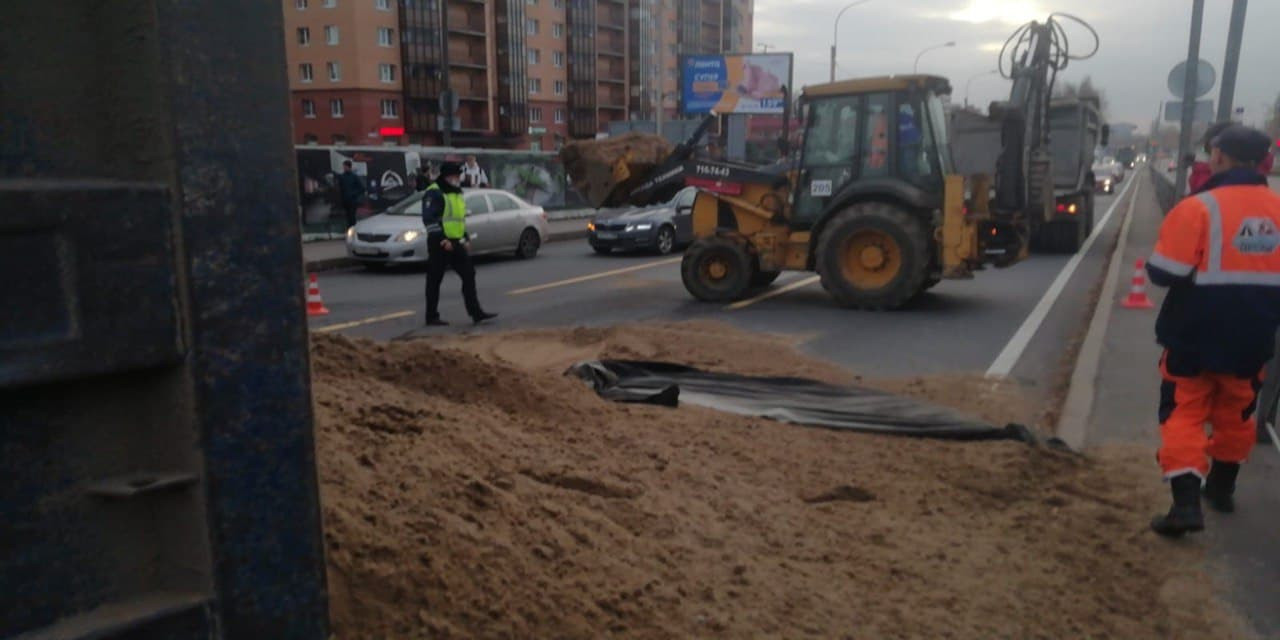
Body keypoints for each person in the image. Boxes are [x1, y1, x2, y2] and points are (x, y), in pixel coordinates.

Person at [1146, 124, 1280, 537]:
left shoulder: (1198, 208)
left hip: (1194, 337)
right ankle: (1222, 489)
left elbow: (1164, 272)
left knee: (1183, 413)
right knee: (1237, 412)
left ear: (1219, 156)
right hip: (1253, 337)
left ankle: (1186, 505)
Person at [422, 162, 497, 326]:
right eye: (455, 176)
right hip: (440, 243)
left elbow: (458, 220)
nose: (458, 179)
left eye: (458, 176)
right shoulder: (434, 192)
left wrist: (465, 238)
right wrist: (442, 240)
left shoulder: (456, 193)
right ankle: (431, 316)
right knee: (435, 279)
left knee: (469, 274)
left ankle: (476, 312)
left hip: (455, 242)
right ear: (447, 176)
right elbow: (430, 219)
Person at [336, 160, 365, 229]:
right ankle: (349, 231)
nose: (344, 168)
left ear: (349, 167)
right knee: (348, 217)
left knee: (352, 217)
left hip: (352, 201)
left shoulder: (354, 177)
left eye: (345, 166)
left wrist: (353, 194)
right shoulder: (342, 177)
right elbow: (340, 188)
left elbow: (362, 188)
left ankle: (353, 231)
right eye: (343, 167)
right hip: (345, 201)